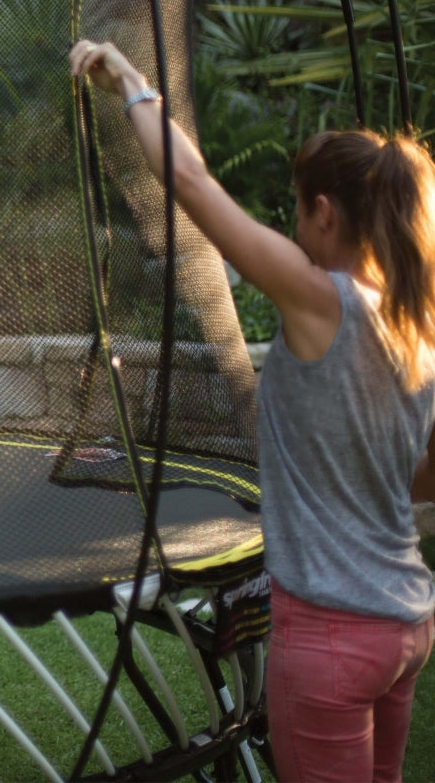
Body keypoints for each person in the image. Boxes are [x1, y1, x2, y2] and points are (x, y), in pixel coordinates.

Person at [69, 38, 435, 783]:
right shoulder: (416, 325)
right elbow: (424, 481)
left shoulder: (320, 299)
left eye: (297, 214)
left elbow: (196, 190)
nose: (294, 230)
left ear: (325, 214)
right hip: (405, 623)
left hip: (333, 633)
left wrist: (134, 84)